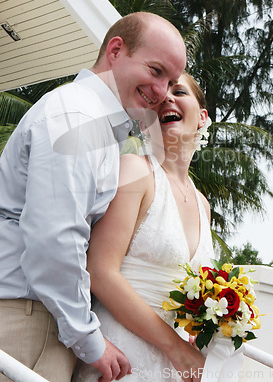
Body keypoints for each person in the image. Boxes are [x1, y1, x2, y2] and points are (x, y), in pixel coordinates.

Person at [0, 12, 187, 382]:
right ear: (116, 50)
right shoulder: (76, 116)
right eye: (156, 70)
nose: (162, 91)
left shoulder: (96, 124)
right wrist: (90, 339)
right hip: (25, 320)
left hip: (42, 319)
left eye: (171, 81)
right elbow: (54, 240)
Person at [72, 73, 215, 382]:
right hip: (123, 356)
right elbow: (100, 272)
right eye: (160, 94)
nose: (167, 98)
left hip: (174, 366)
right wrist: (176, 347)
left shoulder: (204, 205)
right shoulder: (135, 170)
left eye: (179, 91)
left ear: (202, 117)